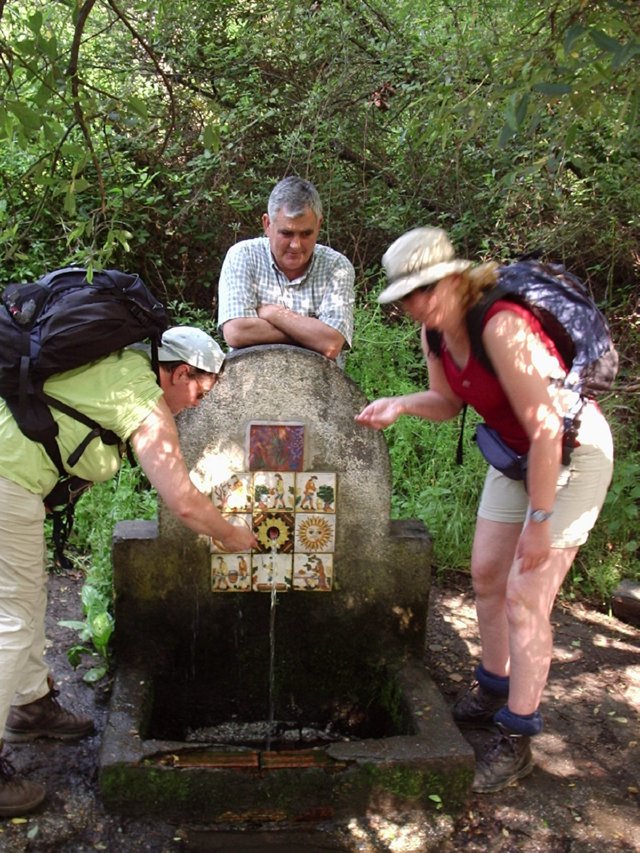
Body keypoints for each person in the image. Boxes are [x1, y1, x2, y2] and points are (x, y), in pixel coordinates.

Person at [355, 227, 613, 794]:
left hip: (570, 452)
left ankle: (518, 736)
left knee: (527, 594)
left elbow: (547, 430)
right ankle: (493, 684)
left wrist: (541, 523)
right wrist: (401, 404)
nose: (414, 306)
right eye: (406, 298)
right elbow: (448, 403)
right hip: (519, 454)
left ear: (452, 279)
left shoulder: (500, 326)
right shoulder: (436, 334)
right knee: (487, 573)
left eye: (422, 292)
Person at [0, 325, 257, 816]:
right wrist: (231, 534)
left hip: (13, 478)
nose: (198, 403)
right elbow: (182, 501)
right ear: (181, 372)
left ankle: (31, 705)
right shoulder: (141, 397)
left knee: (27, 600)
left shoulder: (121, 363)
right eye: (200, 390)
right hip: (7, 479)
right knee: (10, 620)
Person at [217, 176, 355, 365]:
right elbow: (236, 332)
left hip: (320, 388)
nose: (296, 245)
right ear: (267, 224)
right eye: (286, 233)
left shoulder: (337, 267)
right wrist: (310, 334)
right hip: (250, 384)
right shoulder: (243, 256)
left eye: (306, 233)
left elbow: (331, 343)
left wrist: (273, 314)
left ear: (319, 225)